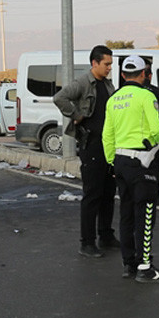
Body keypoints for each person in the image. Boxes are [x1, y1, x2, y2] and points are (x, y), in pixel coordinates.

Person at [102, 55, 159, 283]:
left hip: (120, 161)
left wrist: (112, 162)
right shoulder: (146, 95)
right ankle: (145, 267)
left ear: (123, 75)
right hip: (142, 161)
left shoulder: (113, 99)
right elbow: (156, 128)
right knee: (146, 213)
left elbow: (107, 136)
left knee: (126, 213)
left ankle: (129, 263)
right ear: (144, 74)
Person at [54, 45, 120, 258]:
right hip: (91, 145)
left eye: (111, 64)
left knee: (109, 193)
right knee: (93, 194)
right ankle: (87, 242)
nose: (110, 67)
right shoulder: (83, 82)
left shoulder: (108, 85)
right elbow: (60, 97)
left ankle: (106, 235)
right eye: (106, 64)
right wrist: (76, 114)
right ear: (94, 63)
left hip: (109, 146)